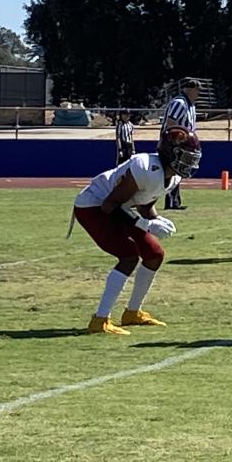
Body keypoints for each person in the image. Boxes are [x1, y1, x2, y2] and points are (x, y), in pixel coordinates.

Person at [71, 125, 201, 335]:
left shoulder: (172, 178)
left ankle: (132, 313)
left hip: (116, 207)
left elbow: (144, 203)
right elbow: (109, 205)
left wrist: (155, 218)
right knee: (129, 255)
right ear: (171, 153)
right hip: (92, 206)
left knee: (154, 254)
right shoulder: (146, 167)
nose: (190, 163)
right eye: (186, 158)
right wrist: (146, 225)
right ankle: (100, 319)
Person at [161, 78, 201, 210]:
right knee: (172, 171)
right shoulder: (180, 103)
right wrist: (176, 141)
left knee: (178, 172)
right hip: (174, 145)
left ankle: (175, 201)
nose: (198, 93)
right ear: (188, 89)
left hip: (184, 145)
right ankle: (171, 202)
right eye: (196, 90)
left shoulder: (191, 105)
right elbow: (171, 123)